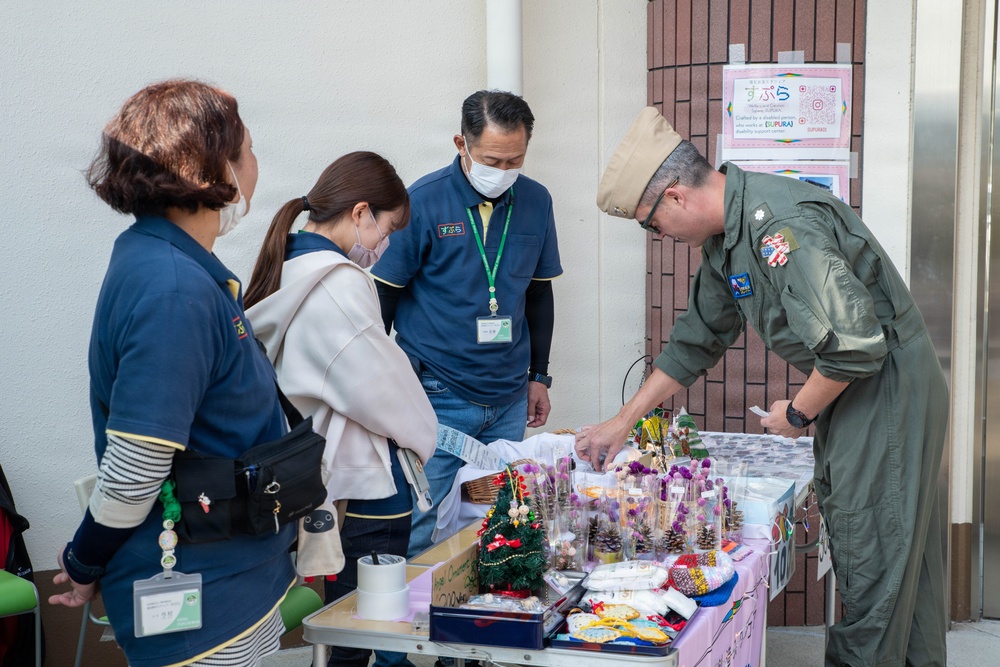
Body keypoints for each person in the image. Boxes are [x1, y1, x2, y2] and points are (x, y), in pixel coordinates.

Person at [579, 107, 948, 667]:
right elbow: (695, 339)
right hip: (864, 387)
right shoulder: (728, 237)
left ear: (675, 196)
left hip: (885, 389)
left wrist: (797, 414)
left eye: (651, 224)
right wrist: (622, 422)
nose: (660, 237)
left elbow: (853, 346)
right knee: (898, 560)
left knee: (874, 557)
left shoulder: (778, 225)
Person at [48, 80, 296, 666]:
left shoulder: (173, 262)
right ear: (213, 169)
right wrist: (83, 560)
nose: (255, 165)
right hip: (200, 597)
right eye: (248, 150)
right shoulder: (173, 288)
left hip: (233, 579)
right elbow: (136, 468)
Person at [244, 152, 438, 667]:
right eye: (386, 229)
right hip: (364, 482)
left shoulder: (286, 267)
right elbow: (379, 388)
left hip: (320, 477)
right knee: (359, 634)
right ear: (359, 213)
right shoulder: (338, 281)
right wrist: (427, 437)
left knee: (341, 633)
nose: (383, 245)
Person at [371, 90, 563, 561]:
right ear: (462, 144)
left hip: (509, 396)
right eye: (492, 160)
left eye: (515, 160)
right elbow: (384, 297)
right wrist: (384, 389)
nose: (503, 170)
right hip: (437, 393)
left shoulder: (536, 201)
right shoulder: (422, 201)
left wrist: (538, 376)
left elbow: (539, 293)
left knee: (498, 520)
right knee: (424, 523)